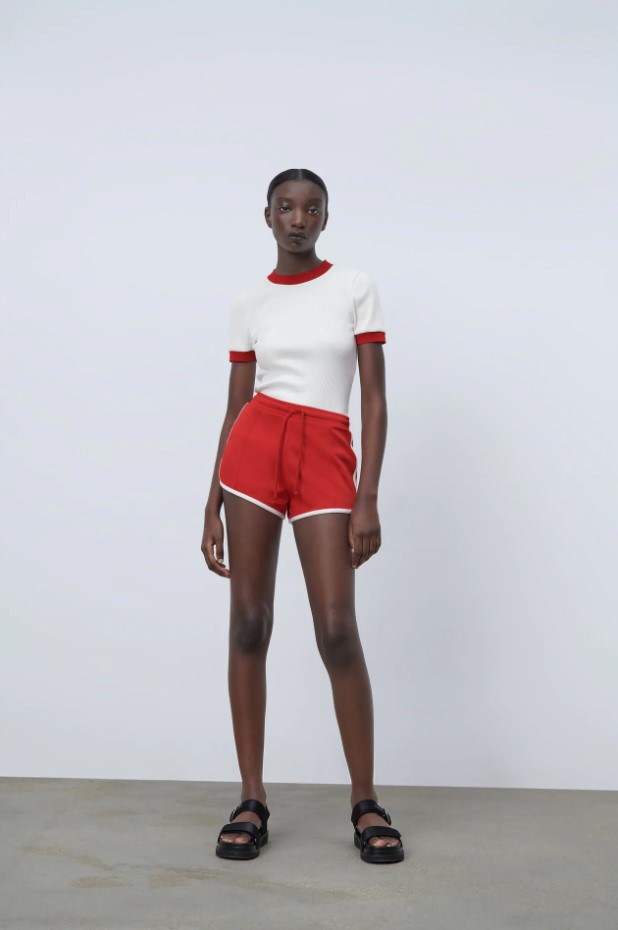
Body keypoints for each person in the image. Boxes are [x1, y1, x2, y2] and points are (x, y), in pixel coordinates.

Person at [201, 168, 404, 864]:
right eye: (285, 207)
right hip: (254, 452)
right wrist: (211, 498)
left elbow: (374, 399)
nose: (298, 218)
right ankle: (251, 798)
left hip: (325, 451)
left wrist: (367, 495)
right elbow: (236, 404)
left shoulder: (354, 287)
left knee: (337, 628)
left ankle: (365, 799)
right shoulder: (249, 301)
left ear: (325, 218)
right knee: (249, 622)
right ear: (267, 216)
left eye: (311, 208)